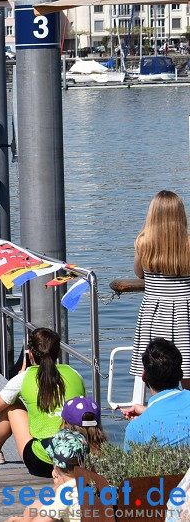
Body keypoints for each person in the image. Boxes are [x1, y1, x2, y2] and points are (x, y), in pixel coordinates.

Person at [0, 327, 86, 477]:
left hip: (42, 463)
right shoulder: (74, 374)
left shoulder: (24, 378)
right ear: (58, 353)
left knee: (11, 404)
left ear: (30, 354)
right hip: (77, 459)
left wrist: (20, 381)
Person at [131, 190, 190, 388]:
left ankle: (155, 408)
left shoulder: (143, 243)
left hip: (154, 313)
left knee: (155, 369)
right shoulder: (188, 244)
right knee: (188, 369)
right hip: (184, 314)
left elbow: (139, 273)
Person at [4, 430, 88, 522]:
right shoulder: (91, 482)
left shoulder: (65, 494)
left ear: (56, 467)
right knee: (39, 504)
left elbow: (43, 520)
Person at [121, 337, 190, 447]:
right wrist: (148, 412)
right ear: (180, 373)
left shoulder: (136, 429)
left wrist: (148, 415)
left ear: (144, 376)